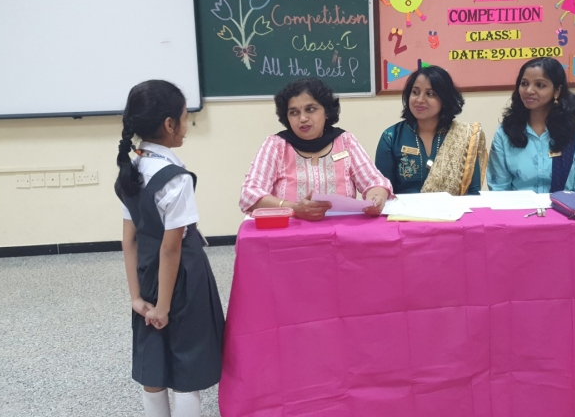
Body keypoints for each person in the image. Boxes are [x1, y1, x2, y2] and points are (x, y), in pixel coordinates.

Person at [114, 80, 224, 417]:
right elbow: (171, 249)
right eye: (185, 118)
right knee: (188, 367)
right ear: (169, 124)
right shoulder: (175, 178)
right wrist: (163, 307)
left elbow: (129, 240)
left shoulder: (131, 169)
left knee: (153, 362)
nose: (187, 126)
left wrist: (137, 298)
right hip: (183, 281)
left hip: (147, 274)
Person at [240, 77, 392, 220]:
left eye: (310, 109)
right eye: (294, 112)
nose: (302, 118)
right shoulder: (276, 145)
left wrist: (376, 198)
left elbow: (376, 182)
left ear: (326, 112)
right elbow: (249, 195)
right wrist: (294, 208)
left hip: (340, 230)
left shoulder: (345, 141)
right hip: (289, 232)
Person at [487, 57, 575, 199]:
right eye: (524, 83)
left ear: (557, 91)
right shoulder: (506, 132)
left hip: (565, 211)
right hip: (518, 211)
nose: (529, 90)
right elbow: (499, 190)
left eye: (540, 85)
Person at [375, 65, 487, 195]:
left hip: (453, 208)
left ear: (444, 99)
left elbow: (473, 193)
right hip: (404, 208)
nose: (420, 100)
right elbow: (384, 190)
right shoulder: (392, 137)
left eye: (430, 94)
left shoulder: (464, 136)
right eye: (415, 92)